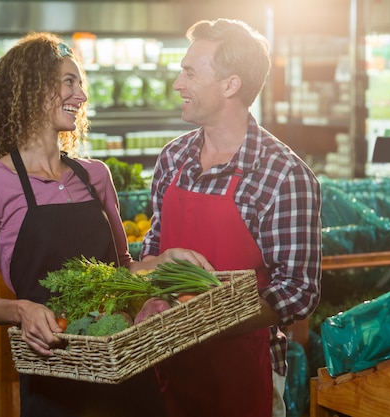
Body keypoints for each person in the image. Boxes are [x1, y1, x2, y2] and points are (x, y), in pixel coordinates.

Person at [0, 32, 211, 417]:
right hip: (52, 371)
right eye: (69, 81)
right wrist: (21, 310)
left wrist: (165, 261)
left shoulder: (95, 175)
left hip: (122, 360)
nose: (82, 95)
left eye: (81, 83)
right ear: (32, 88)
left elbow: (121, 269)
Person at [140, 18, 322, 417]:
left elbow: (298, 290)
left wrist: (211, 319)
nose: (178, 84)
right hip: (166, 368)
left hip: (243, 373)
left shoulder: (282, 174)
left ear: (230, 85)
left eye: (189, 72)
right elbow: (151, 251)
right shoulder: (173, 159)